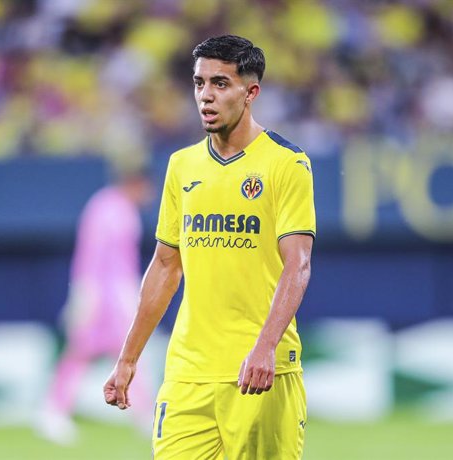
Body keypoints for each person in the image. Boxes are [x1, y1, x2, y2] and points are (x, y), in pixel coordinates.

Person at [103, 35, 316, 459]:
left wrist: (266, 346)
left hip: (257, 371)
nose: (206, 95)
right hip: (188, 372)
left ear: (250, 92)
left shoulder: (287, 164)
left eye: (220, 83)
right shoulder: (182, 166)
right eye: (199, 83)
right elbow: (165, 267)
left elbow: (299, 264)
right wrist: (129, 358)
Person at [35, 165, 155, 445]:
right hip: (104, 297)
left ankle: (143, 415)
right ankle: (53, 411)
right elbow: (92, 255)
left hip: (112, 295)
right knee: (91, 353)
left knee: (119, 355)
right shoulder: (109, 209)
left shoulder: (116, 208)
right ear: (136, 183)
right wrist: (85, 292)